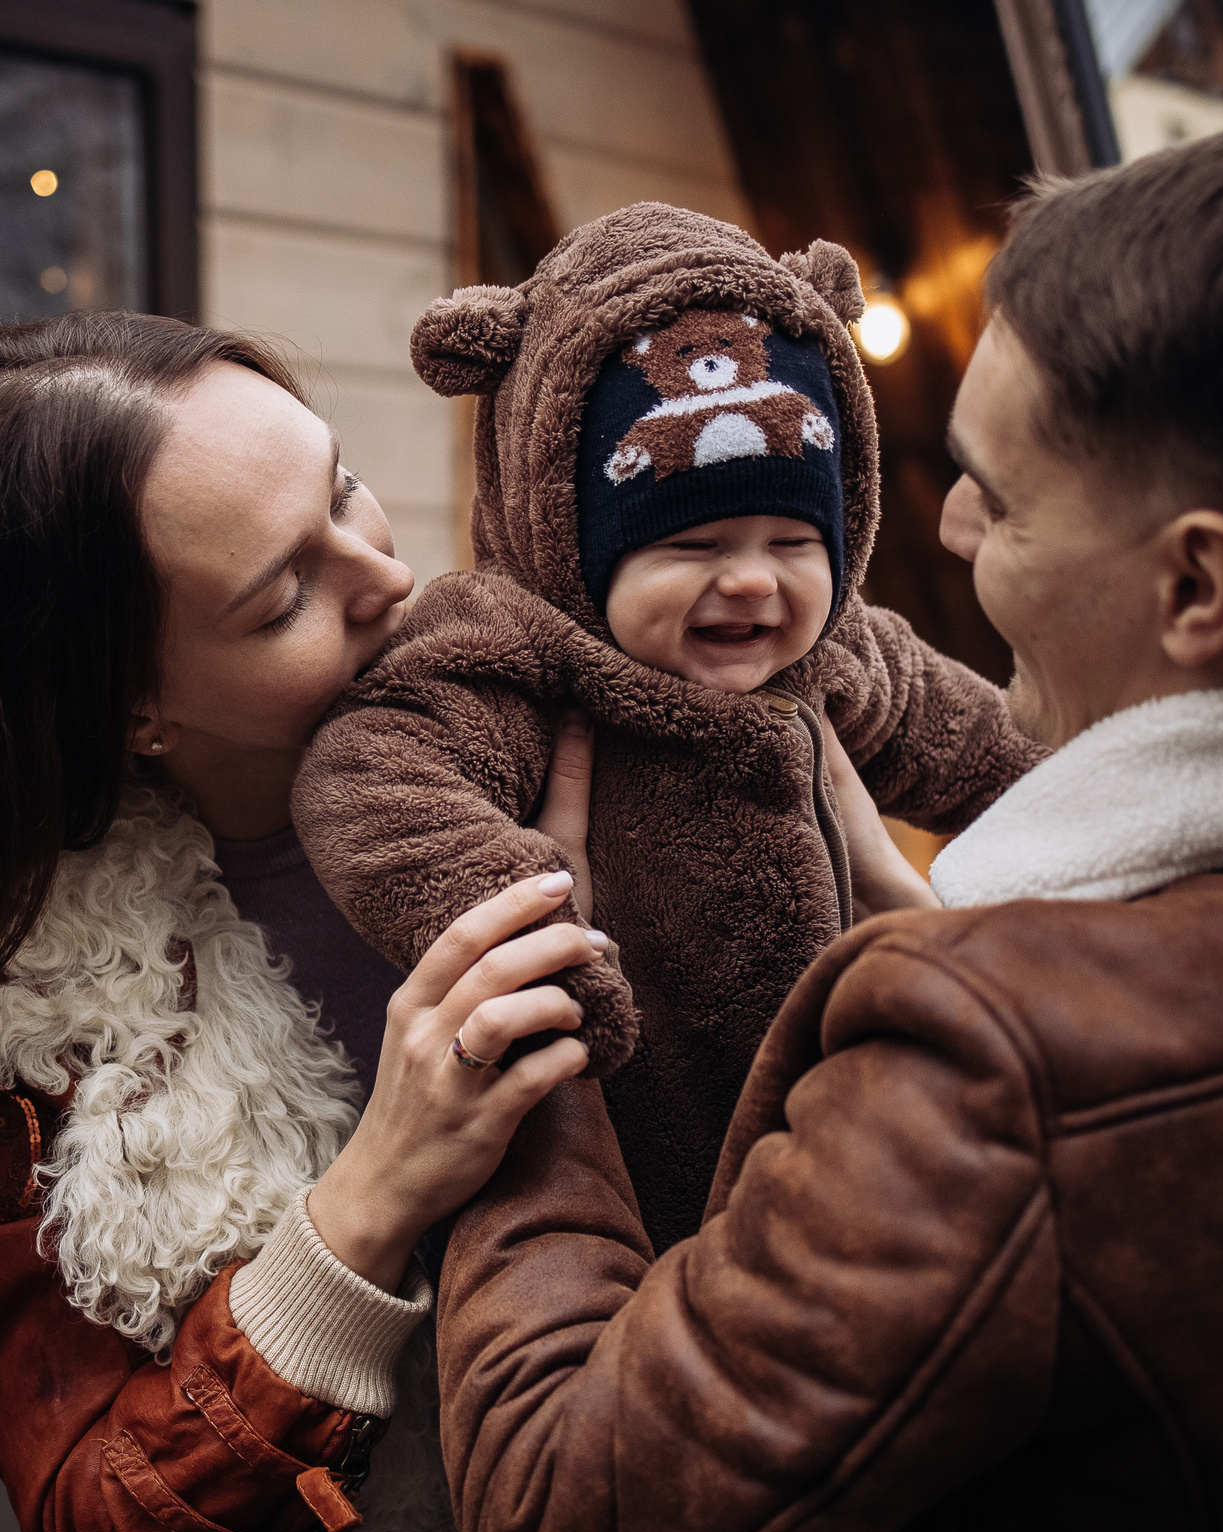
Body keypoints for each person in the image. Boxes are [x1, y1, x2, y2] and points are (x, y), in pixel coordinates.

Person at [433, 113, 1223, 1532]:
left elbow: (570, 1521)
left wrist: (538, 1044)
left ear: (1197, 586)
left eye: (998, 491)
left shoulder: (1000, 1074)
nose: (948, 534)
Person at [0, 313, 628, 1532]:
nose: (387, 572)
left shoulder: (572, 724)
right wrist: (374, 1189)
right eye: (278, 597)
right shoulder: (22, 1028)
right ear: (128, 702)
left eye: (346, 486)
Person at [293, 203, 1042, 1256]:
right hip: (617, 1173)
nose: (749, 579)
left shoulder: (838, 654)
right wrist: (536, 942)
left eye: (791, 538)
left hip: (840, 1144)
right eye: (691, 545)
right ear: (576, 547)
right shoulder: (518, 658)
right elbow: (372, 780)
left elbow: (1005, 756)